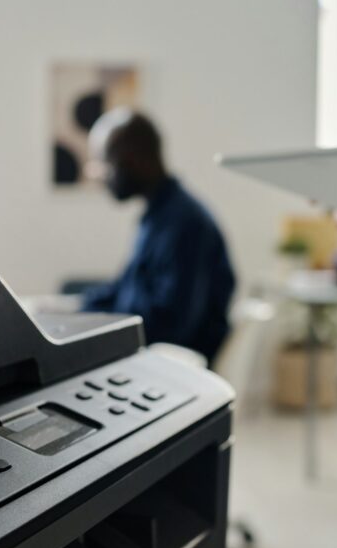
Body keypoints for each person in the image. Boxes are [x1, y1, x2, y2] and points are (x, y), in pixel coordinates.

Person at [82, 109, 235, 365]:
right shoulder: (158, 217)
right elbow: (125, 288)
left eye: (104, 162)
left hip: (174, 364)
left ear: (130, 159)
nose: (100, 175)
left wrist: (99, 328)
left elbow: (172, 325)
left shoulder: (185, 224)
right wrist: (74, 311)